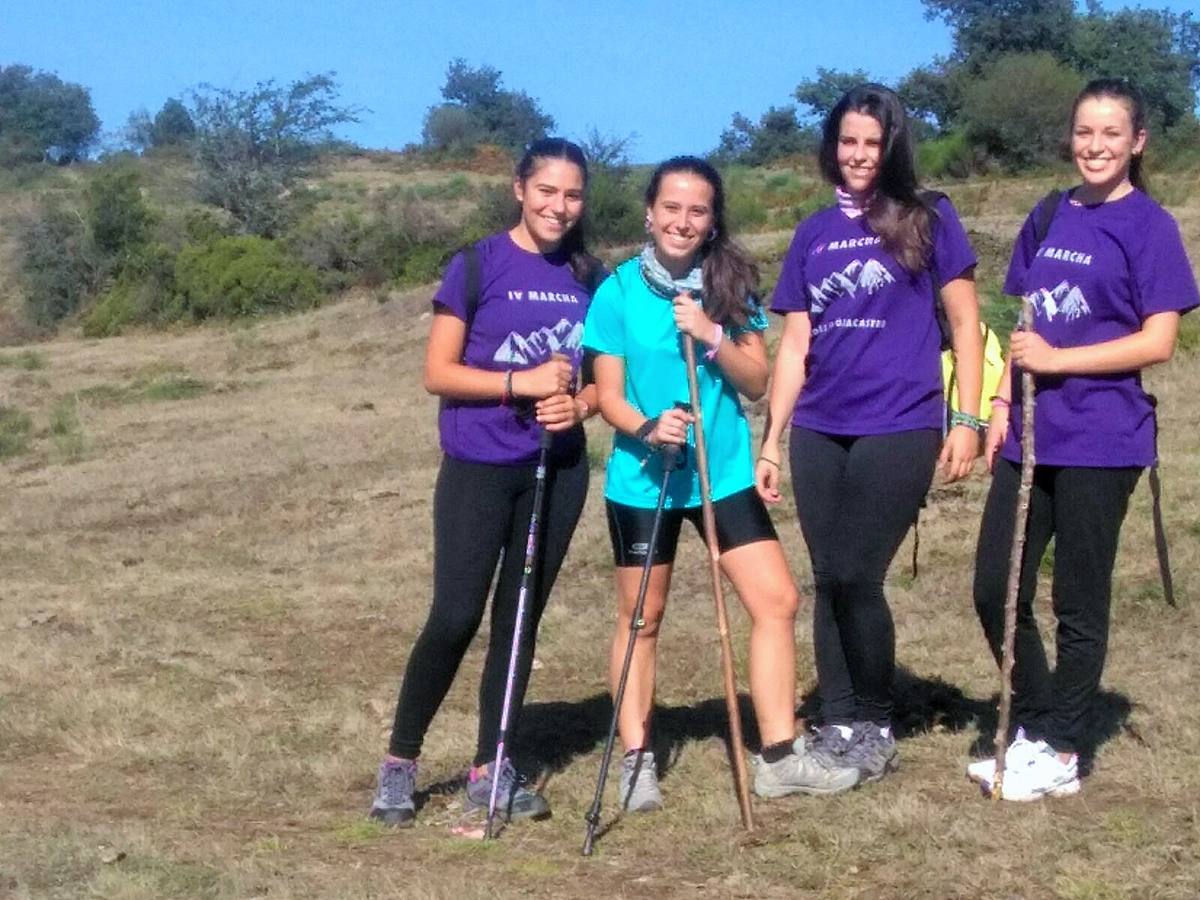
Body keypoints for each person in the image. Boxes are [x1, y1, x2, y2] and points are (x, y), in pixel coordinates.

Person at [583, 156, 860, 813]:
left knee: (777, 600)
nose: (683, 220)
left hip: (722, 471)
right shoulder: (617, 292)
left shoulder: (729, 285)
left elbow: (757, 380)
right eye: (671, 208)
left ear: (712, 221)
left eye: (698, 210)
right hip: (645, 479)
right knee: (642, 618)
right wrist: (649, 427)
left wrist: (710, 334)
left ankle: (778, 757)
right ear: (649, 213)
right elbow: (609, 395)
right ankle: (636, 760)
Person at [968, 79, 1199, 801]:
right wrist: (1004, 397)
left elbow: (1159, 342)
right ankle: (1036, 722)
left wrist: (1060, 362)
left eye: (1110, 134)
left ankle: (1065, 749)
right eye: (1084, 133)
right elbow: (1023, 323)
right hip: (1030, 434)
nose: (1094, 146)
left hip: (1103, 439)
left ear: (1137, 143)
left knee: (1077, 598)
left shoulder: (1150, 226)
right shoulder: (1048, 214)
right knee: (991, 588)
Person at [369, 138, 601, 828]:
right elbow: (437, 372)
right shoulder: (476, 265)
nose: (560, 206)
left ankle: (490, 765)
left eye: (573, 194)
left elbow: (602, 382)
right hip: (478, 466)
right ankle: (399, 764)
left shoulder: (592, 275)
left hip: (556, 470)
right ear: (519, 190)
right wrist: (517, 383)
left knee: (519, 618)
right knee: (456, 615)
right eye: (547, 191)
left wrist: (579, 404)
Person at [757, 84, 984, 783]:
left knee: (860, 572)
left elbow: (967, 323)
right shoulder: (812, 234)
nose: (858, 155)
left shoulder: (928, 217)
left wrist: (968, 418)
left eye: (871, 143)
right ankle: (839, 717)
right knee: (828, 579)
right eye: (848, 142)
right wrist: (772, 437)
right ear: (833, 147)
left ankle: (877, 720)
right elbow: (795, 344)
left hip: (902, 421)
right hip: (821, 428)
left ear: (892, 147)